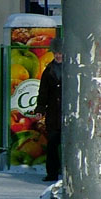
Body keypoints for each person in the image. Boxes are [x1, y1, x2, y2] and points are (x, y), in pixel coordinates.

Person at [34, 38, 63, 182]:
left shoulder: (73, 69)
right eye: (56, 53)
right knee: (52, 144)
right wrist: (40, 108)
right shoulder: (49, 70)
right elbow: (43, 91)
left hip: (68, 114)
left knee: (69, 145)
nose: (58, 56)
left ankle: (68, 171)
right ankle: (52, 172)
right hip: (53, 113)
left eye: (61, 53)